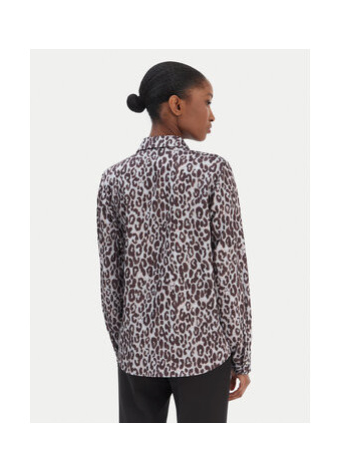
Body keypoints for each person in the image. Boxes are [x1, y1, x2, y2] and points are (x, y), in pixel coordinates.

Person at [96, 61, 252, 423]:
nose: (212, 115)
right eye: (207, 101)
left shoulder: (113, 179)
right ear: (177, 105)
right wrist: (241, 356)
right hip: (203, 353)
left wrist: (127, 347)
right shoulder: (212, 171)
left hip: (137, 354)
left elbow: (110, 280)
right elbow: (231, 273)